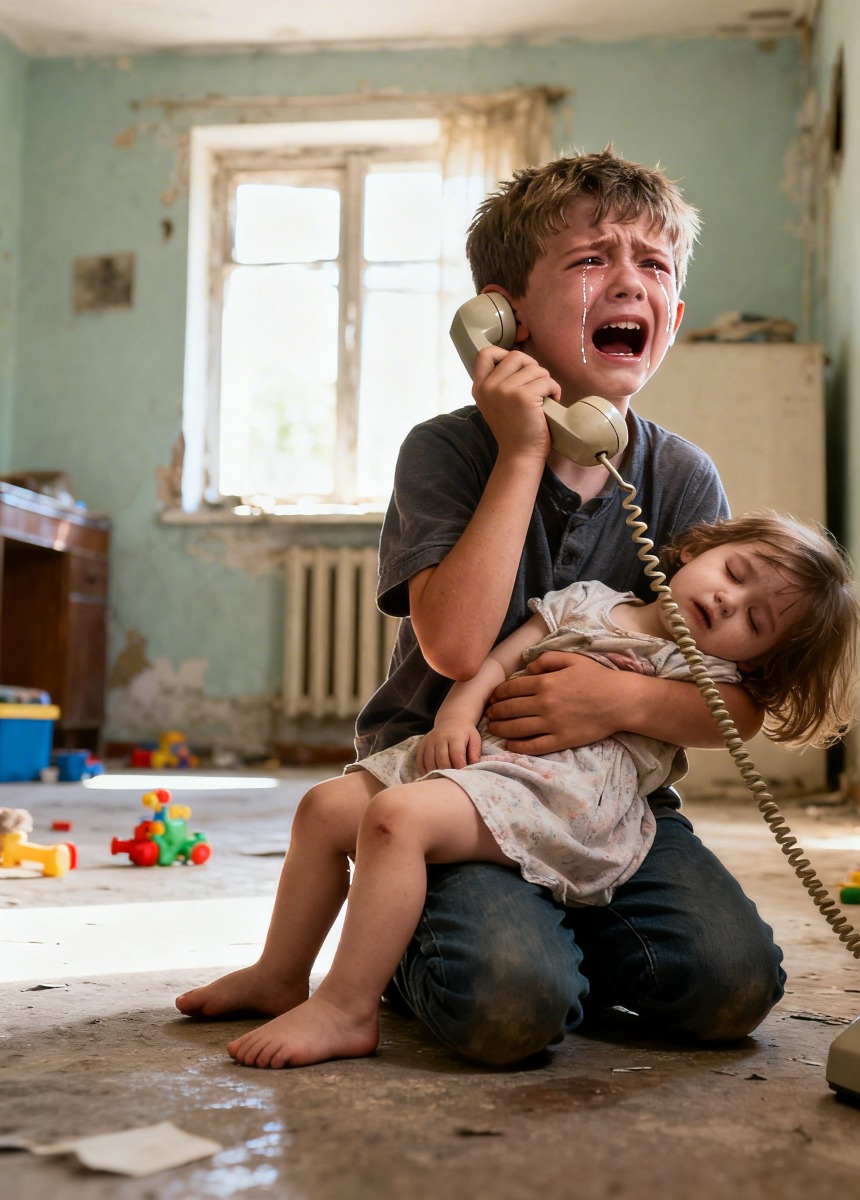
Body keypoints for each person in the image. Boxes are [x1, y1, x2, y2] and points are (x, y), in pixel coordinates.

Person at [177, 147, 803, 1065]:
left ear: (675, 314)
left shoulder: (679, 478)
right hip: (455, 791)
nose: (629, 280)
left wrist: (617, 702)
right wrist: (521, 454)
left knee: (733, 988)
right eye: (592, 260)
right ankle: (400, 940)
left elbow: (735, 702)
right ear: (501, 315)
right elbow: (460, 647)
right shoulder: (446, 453)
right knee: (510, 1008)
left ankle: (553, 928)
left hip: (607, 805)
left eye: (655, 266)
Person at [183, 511, 860, 1068]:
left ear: (759, 661)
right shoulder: (588, 601)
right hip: (484, 756)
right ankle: (279, 971)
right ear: (698, 546)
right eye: (735, 572)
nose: (729, 600)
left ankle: (347, 1006)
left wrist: (621, 698)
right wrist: (454, 712)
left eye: (754, 623)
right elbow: (495, 661)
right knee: (324, 807)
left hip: (557, 802)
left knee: (397, 821)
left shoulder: (706, 678)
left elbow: (735, 722)